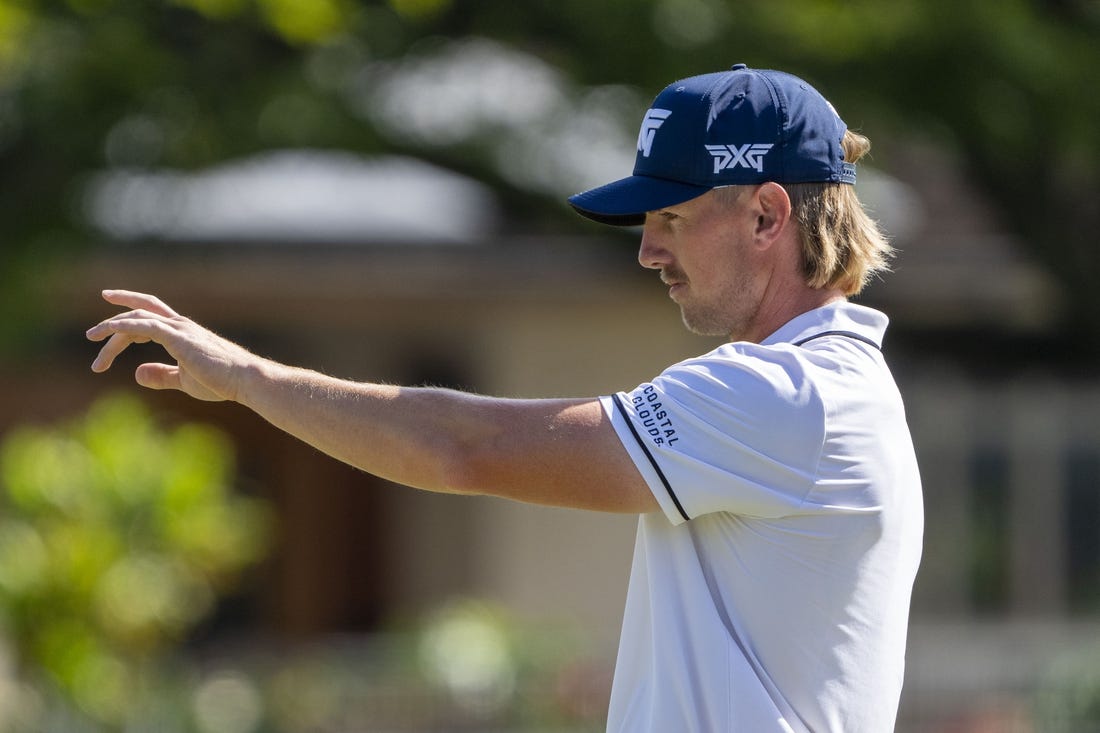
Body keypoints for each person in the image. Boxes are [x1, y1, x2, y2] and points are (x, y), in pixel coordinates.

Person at [88, 64, 923, 732]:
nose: (648, 252)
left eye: (669, 216)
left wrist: (246, 379)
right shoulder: (825, 389)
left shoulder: (787, 396)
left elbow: (464, 448)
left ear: (768, 215)